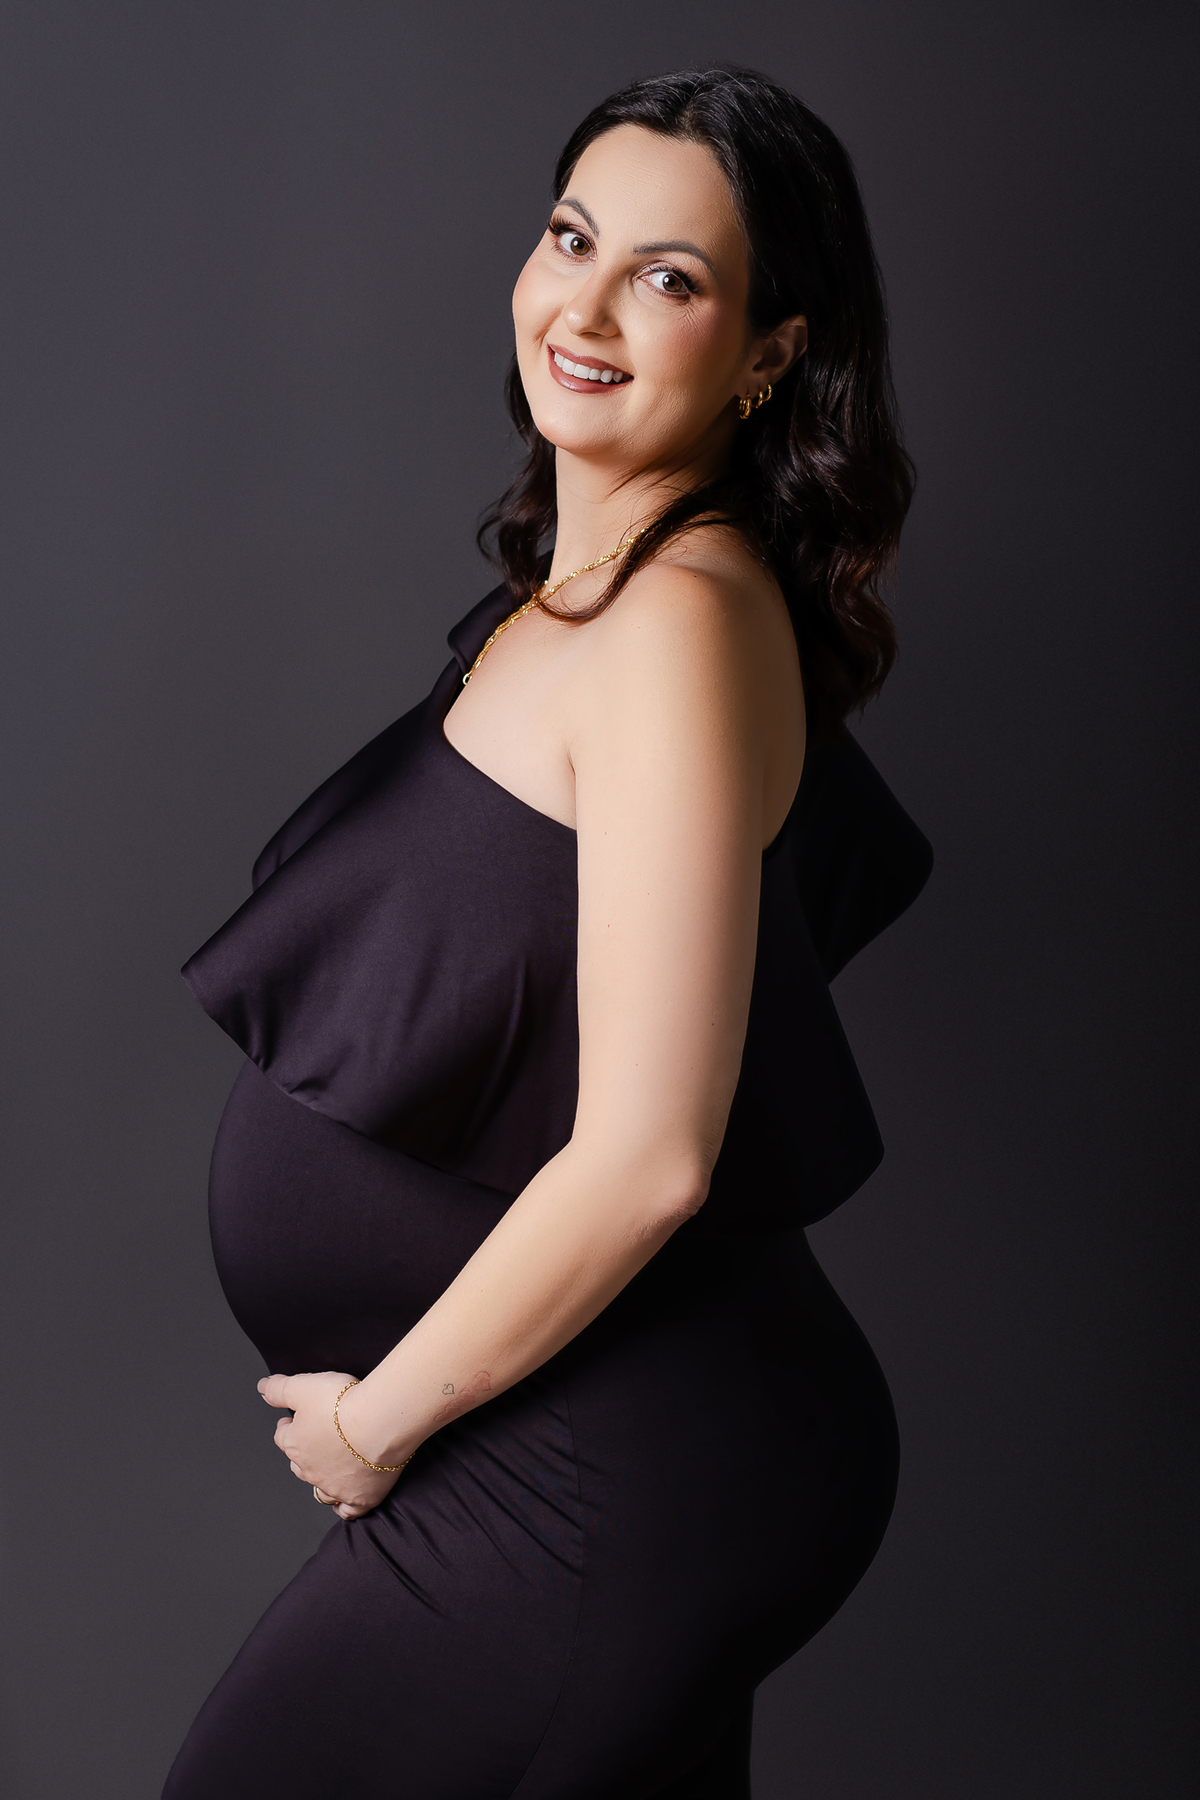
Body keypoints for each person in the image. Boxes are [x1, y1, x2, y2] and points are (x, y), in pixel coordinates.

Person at [164, 64, 931, 1800]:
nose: (582, 310)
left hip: (610, 1467)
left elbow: (654, 1155)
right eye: (573, 239)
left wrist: (374, 1423)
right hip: (581, 1444)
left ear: (768, 352)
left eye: (667, 277)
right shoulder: (593, 597)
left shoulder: (678, 625)